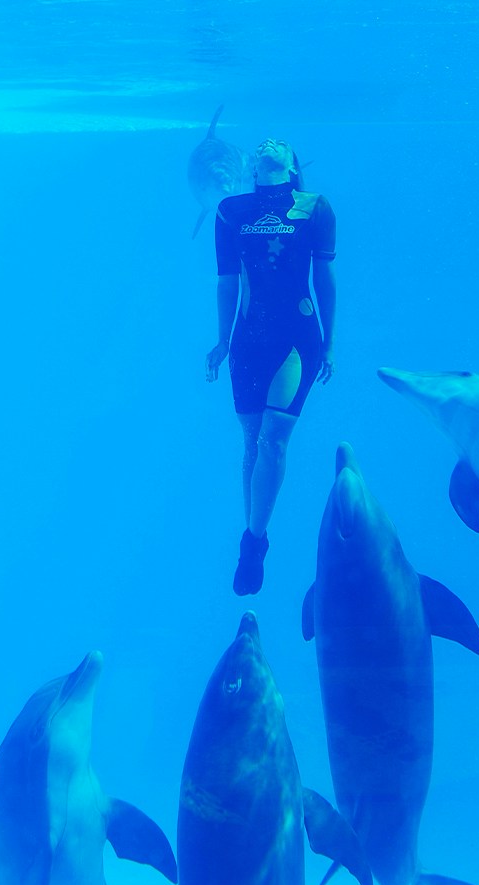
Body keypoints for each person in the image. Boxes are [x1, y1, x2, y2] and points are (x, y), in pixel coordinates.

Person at [205, 138, 337, 596]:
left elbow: (324, 278)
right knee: (251, 441)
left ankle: (253, 542)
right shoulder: (230, 211)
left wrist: (330, 342)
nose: (271, 143)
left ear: (293, 167)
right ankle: (254, 536)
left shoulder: (315, 207)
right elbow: (226, 282)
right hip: (248, 340)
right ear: (251, 168)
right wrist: (222, 341)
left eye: (282, 144)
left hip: (296, 339)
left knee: (272, 440)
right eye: (263, 143)